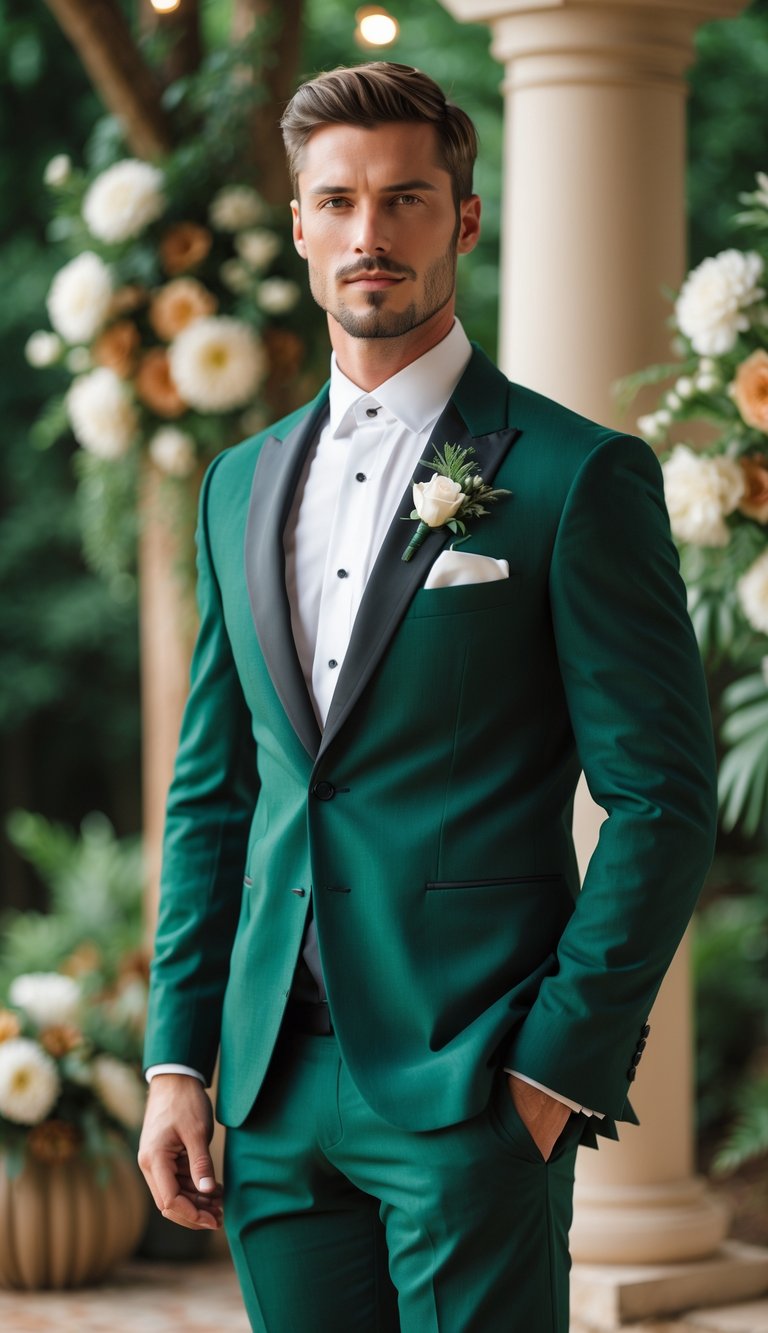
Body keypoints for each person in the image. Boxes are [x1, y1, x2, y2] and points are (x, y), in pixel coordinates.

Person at [138, 61, 717, 1333]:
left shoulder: (577, 476)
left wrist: (554, 1070)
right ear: (298, 223)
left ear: (462, 216)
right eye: (336, 202)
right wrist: (180, 1060)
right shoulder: (237, 483)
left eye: (405, 200)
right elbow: (213, 792)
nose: (367, 234)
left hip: (473, 1080)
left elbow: (665, 800)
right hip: (271, 1094)